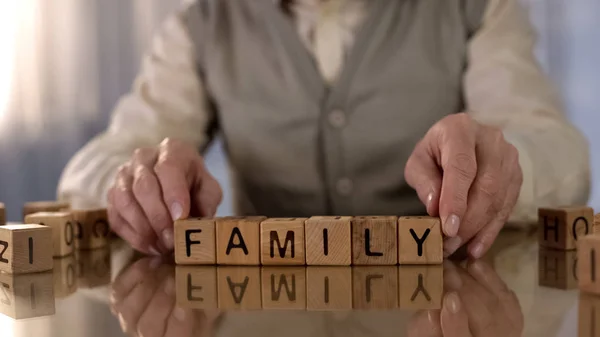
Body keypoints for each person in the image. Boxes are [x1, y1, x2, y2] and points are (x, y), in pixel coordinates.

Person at [57, 0, 590, 258]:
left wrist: (504, 165)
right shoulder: (203, 21)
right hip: (263, 315)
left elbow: (560, 151)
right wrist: (135, 181)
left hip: (440, 308)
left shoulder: (476, 7)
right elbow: (95, 165)